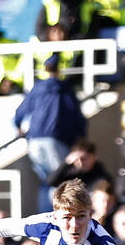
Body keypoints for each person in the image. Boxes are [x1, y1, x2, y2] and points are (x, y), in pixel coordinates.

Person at [14, 56, 87, 212]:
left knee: (46, 181)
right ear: (58, 69)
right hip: (57, 140)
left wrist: (17, 126)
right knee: (59, 182)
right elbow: (77, 116)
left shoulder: (37, 88)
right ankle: (56, 218)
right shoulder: (65, 89)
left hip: (34, 140)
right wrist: (82, 138)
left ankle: (46, 216)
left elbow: (20, 112)